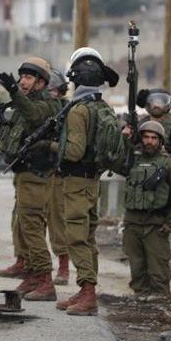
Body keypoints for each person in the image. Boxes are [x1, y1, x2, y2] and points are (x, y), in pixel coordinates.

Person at [52, 46, 120, 316]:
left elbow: (75, 151)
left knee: (77, 237)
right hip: (93, 181)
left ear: (75, 77)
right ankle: (84, 289)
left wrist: (53, 147)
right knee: (88, 236)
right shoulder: (102, 106)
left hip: (77, 181)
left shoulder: (78, 110)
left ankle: (88, 293)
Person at [0, 57, 63, 302]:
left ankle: (45, 280)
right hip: (24, 173)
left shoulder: (48, 104)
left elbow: (35, 116)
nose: (23, 81)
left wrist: (14, 91)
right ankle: (33, 275)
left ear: (42, 83)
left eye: (29, 78)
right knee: (23, 226)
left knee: (32, 227)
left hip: (37, 174)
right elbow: (14, 135)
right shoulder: (25, 104)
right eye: (21, 77)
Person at [121, 121, 171, 299]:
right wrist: (124, 139)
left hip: (156, 224)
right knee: (137, 265)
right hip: (133, 222)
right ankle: (141, 298)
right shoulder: (131, 160)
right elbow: (113, 161)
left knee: (158, 268)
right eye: (146, 137)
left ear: (160, 141)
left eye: (154, 138)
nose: (149, 141)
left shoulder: (170, 164)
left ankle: (160, 299)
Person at [47, 68, 70, 286]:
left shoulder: (67, 110)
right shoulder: (38, 109)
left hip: (57, 172)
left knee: (58, 220)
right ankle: (27, 264)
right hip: (35, 170)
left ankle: (63, 267)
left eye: (54, 89)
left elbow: (69, 144)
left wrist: (48, 145)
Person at [136, 88, 171, 162]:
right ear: (147, 104)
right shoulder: (138, 127)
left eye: (161, 102)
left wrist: (169, 150)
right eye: (154, 102)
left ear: (168, 105)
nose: (157, 106)